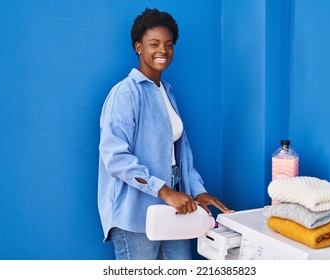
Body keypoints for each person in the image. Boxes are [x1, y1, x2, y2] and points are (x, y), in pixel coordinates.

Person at [98, 7, 233, 260]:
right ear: (139, 47)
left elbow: (182, 155)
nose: (163, 50)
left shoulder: (166, 92)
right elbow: (115, 156)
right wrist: (164, 191)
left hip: (174, 207)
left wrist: (197, 191)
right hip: (135, 214)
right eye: (154, 44)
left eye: (168, 44)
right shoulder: (126, 93)